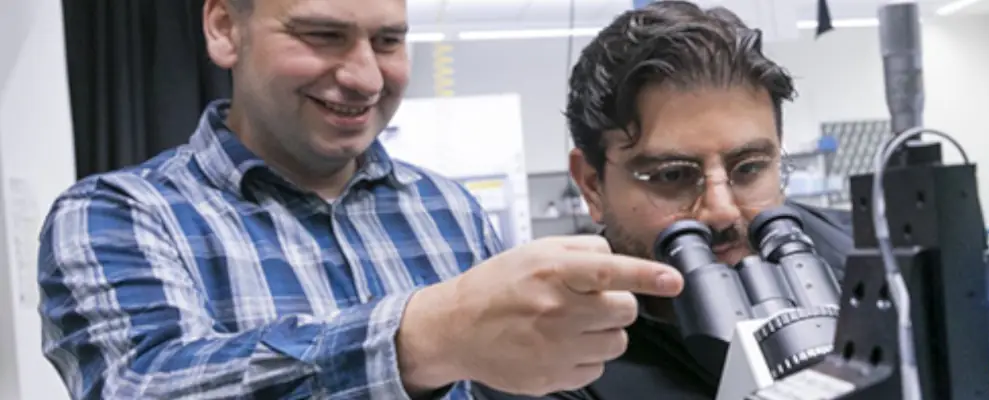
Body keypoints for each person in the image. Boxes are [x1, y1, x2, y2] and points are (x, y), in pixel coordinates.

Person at [35, 0, 686, 398]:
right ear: (225, 28)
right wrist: (419, 339)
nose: (365, 77)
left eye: (388, 41)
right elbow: (139, 386)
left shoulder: (451, 212)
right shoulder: (118, 216)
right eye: (322, 35)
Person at [478, 3, 854, 399]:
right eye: (672, 175)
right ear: (592, 184)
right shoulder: (541, 361)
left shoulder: (863, 261)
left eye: (748, 169)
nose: (722, 210)